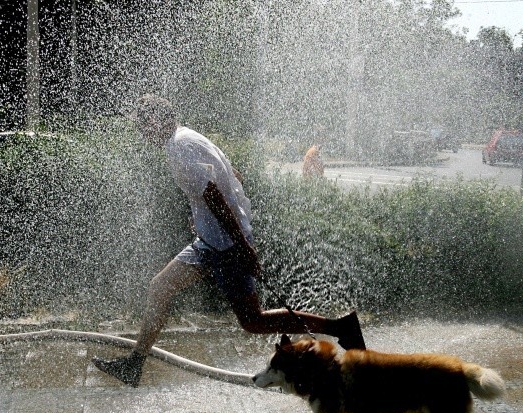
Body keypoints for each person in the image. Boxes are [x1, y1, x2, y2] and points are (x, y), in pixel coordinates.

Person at [92, 94, 365, 388]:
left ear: (155, 122)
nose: (143, 135)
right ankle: (135, 364)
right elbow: (233, 175)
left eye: (143, 127)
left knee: (253, 321)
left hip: (225, 246)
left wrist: (242, 245)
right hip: (210, 242)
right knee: (160, 288)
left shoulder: (178, 148)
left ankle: (340, 327)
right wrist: (200, 217)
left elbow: (213, 195)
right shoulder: (188, 136)